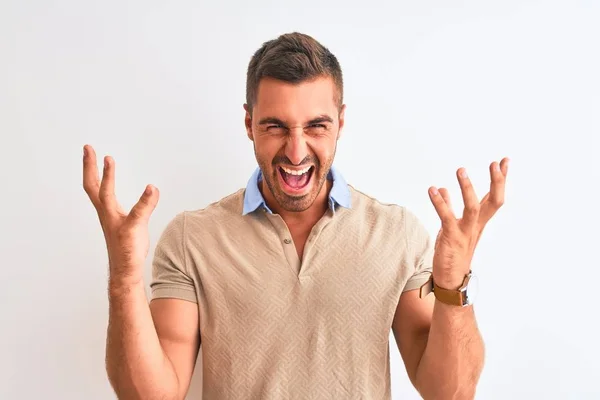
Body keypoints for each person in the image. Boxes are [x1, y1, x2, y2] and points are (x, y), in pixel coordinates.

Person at [83, 32, 509, 400]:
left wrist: (452, 286)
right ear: (249, 123)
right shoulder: (192, 238)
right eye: (276, 127)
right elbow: (152, 394)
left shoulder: (396, 234)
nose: (296, 151)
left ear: (341, 122)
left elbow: (450, 391)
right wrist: (123, 276)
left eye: (316, 126)